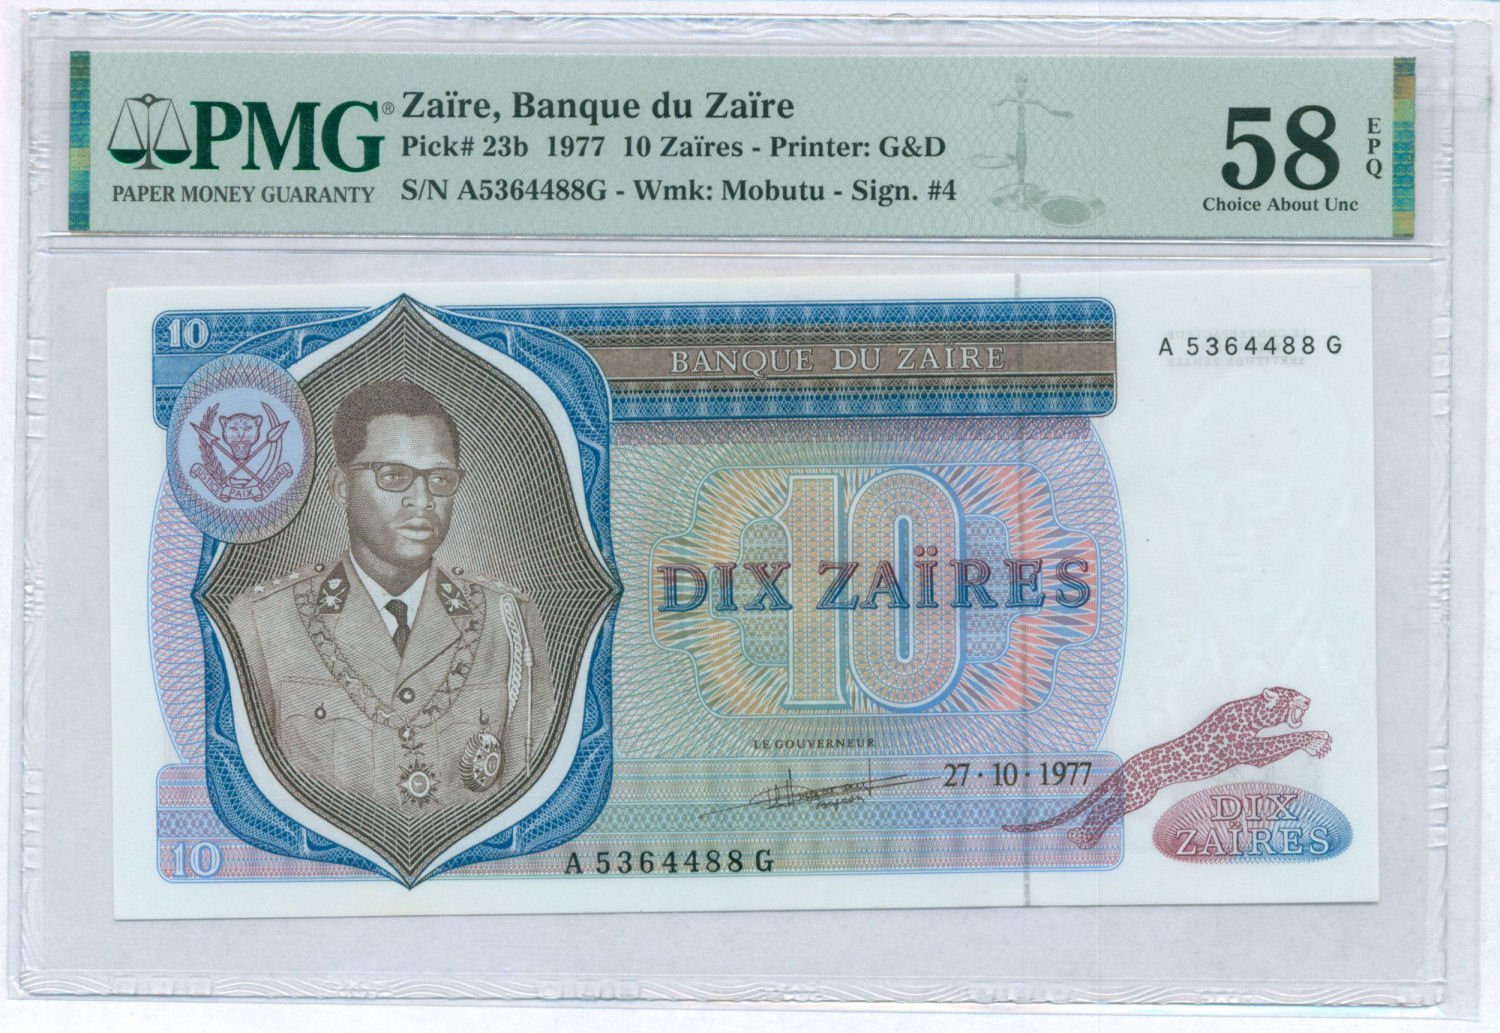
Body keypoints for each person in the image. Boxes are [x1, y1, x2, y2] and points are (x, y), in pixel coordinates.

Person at [226, 380, 552, 813]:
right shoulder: (263, 623)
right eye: (394, 476)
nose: (423, 500)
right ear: (341, 487)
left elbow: (529, 804)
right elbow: (246, 801)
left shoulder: (507, 620)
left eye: (440, 479)